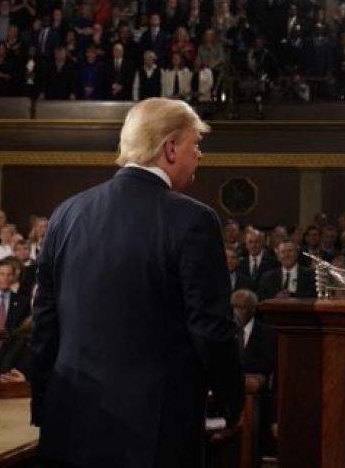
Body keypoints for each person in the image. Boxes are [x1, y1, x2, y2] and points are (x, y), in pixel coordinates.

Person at [31, 98, 244, 467]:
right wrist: (232, 403)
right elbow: (210, 328)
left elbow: (45, 324)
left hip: (70, 422)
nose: (199, 156)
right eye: (196, 145)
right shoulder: (194, 220)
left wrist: (44, 405)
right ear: (171, 147)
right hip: (153, 432)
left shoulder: (66, 214)